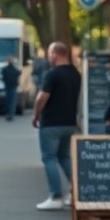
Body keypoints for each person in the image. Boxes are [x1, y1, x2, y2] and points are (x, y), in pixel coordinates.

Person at [33, 41, 81, 210]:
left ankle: (56, 196)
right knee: (64, 157)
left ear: (55, 55)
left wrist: (36, 115)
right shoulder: (75, 74)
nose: (48, 57)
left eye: (48, 54)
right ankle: (77, 192)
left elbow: (42, 97)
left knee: (49, 158)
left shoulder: (52, 75)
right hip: (69, 123)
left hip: (51, 123)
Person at [1, 55, 21, 121]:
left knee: (9, 101)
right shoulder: (15, 70)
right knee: (11, 101)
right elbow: (18, 74)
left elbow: (3, 78)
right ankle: (10, 114)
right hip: (11, 86)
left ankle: (9, 114)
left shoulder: (5, 69)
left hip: (9, 86)